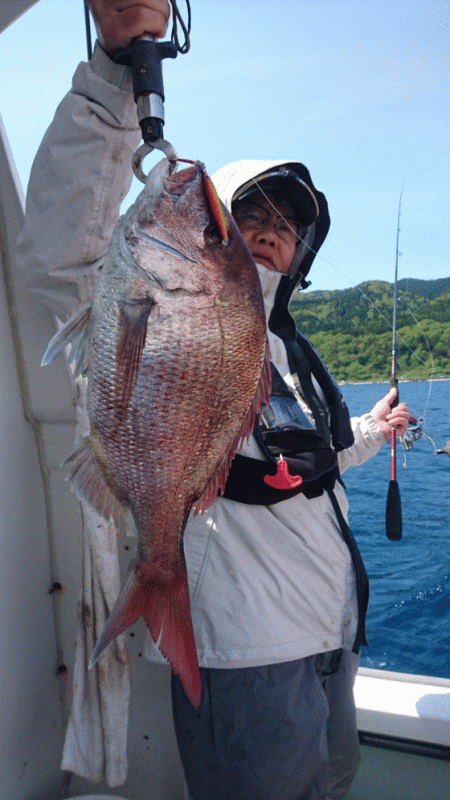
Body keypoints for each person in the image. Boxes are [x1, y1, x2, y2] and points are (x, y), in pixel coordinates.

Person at [16, 2, 411, 799]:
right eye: (251, 214)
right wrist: (113, 76)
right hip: (246, 654)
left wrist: (372, 428)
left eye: (291, 225)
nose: (272, 230)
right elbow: (61, 253)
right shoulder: (155, 305)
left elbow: (309, 465)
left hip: (331, 639)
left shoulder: (292, 355)